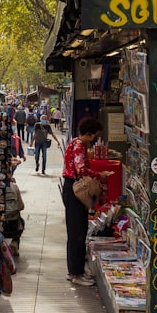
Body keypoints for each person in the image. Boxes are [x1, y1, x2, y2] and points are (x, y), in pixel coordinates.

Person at [61, 117, 112, 287]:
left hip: (71, 188)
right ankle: (76, 273)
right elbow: (80, 169)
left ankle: (74, 270)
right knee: (77, 232)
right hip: (74, 189)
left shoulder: (75, 142)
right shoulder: (79, 146)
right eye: (95, 136)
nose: (96, 139)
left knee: (76, 231)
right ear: (88, 134)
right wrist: (100, 175)